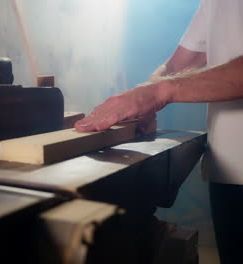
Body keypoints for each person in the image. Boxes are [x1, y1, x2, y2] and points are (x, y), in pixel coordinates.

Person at [74, 0, 243, 263]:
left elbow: (168, 85)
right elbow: (178, 67)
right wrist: (144, 99)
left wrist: (157, 92)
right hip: (228, 171)